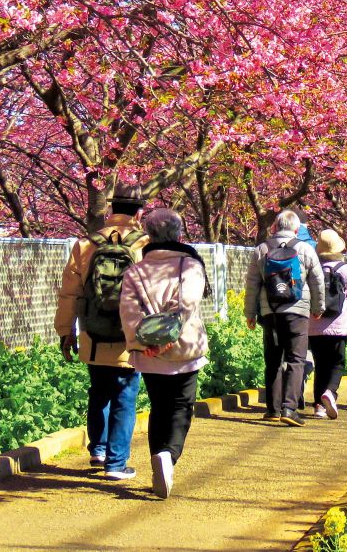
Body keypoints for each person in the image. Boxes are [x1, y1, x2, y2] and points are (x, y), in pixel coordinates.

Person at [54, 184, 148, 481]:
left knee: (99, 391)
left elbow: (69, 294)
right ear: (139, 213)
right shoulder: (145, 244)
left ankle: (98, 450)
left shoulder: (85, 244)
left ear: (110, 209)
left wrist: (65, 331)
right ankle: (116, 464)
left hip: (93, 334)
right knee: (125, 395)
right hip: (128, 335)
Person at [118, 208, 209, 499]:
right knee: (182, 406)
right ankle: (168, 455)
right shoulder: (189, 265)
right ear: (179, 234)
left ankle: (159, 455)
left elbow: (128, 311)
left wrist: (146, 342)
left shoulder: (135, 270)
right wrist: (170, 334)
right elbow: (187, 302)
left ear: (149, 235)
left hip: (149, 353)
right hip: (184, 349)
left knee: (159, 407)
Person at [244, 210, 325, 427]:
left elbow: (252, 285)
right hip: (297, 312)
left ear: (274, 227)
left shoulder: (261, 249)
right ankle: (289, 408)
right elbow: (317, 281)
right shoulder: (305, 249)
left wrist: (250, 313)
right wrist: (318, 308)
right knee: (296, 359)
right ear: (297, 229)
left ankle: (272, 409)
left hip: (270, 311)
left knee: (273, 360)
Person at [308, 229, 347, 419]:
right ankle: (330, 392)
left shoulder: (312, 269)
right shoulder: (346, 269)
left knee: (320, 365)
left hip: (314, 326)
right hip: (339, 326)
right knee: (337, 363)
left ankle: (318, 406)